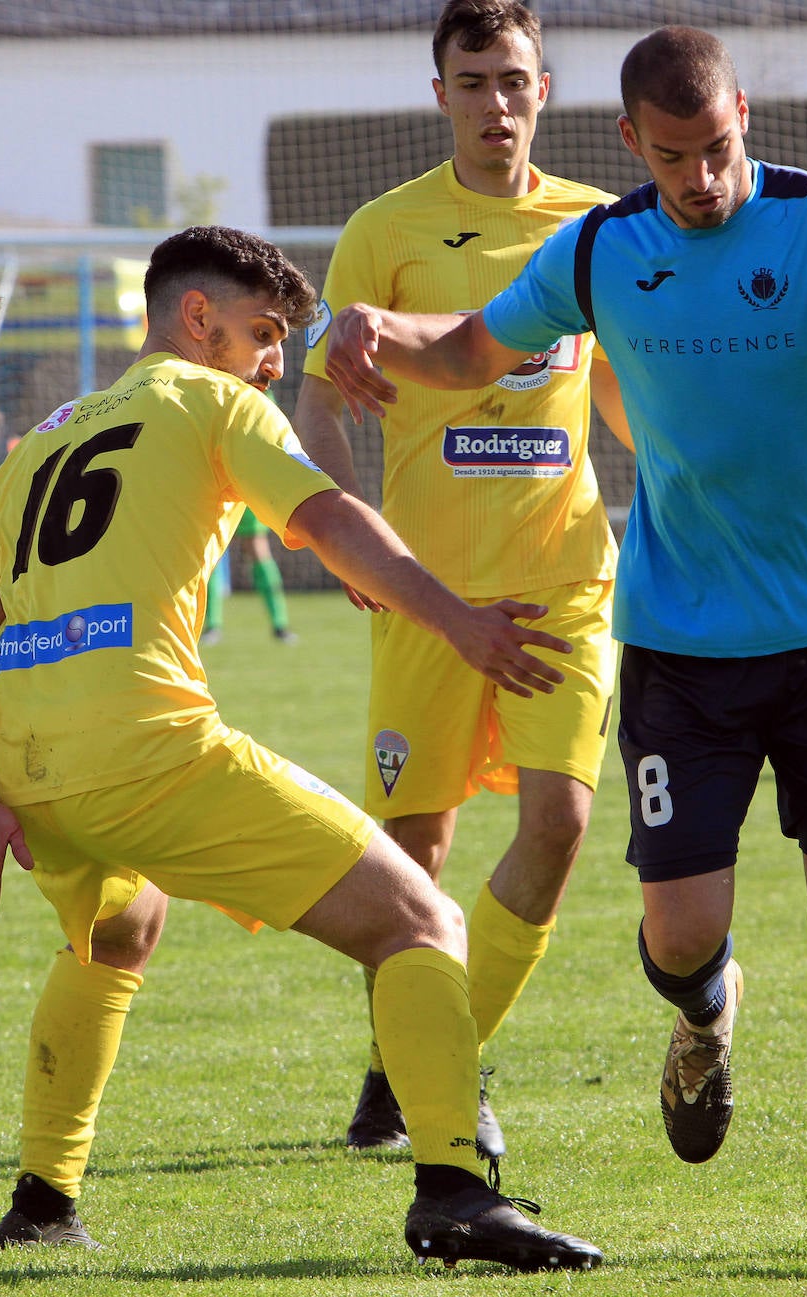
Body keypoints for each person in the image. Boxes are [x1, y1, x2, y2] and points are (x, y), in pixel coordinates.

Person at [320, 26, 807, 1261]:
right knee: (677, 935)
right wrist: (368, 329)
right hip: (682, 646)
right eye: (673, 159)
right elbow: (468, 350)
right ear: (629, 146)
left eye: (717, 150)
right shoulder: (603, 250)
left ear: (743, 117)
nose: (702, 180)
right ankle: (706, 1012)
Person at [0, 224, 602, 1271]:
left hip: (30, 764)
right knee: (421, 922)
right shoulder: (217, 402)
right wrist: (458, 619)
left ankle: (41, 1199)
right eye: (261, 333)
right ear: (195, 317)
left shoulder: (38, 441)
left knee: (116, 932)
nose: (270, 361)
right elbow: (333, 515)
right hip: (143, 749)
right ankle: (455, 1192)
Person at [295, 0, 630, 1155]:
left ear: (547, 90)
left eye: (516, 80)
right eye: (474, 79)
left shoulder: (598, 226)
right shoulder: (383, 230)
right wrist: (349, 534)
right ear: (439, 93)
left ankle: (438, 1065)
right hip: (426, 599)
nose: (498, 102)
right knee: (414, 858)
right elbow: (319, 400)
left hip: (564, 586)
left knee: (561, 824)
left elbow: (635, 397)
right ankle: (404, 1060)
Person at [200, 507, 298, 646]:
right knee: (211, 553)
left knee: (258, 548)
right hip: (218, 496)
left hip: (244, 498)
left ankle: (280, 624)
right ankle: (212, 625)